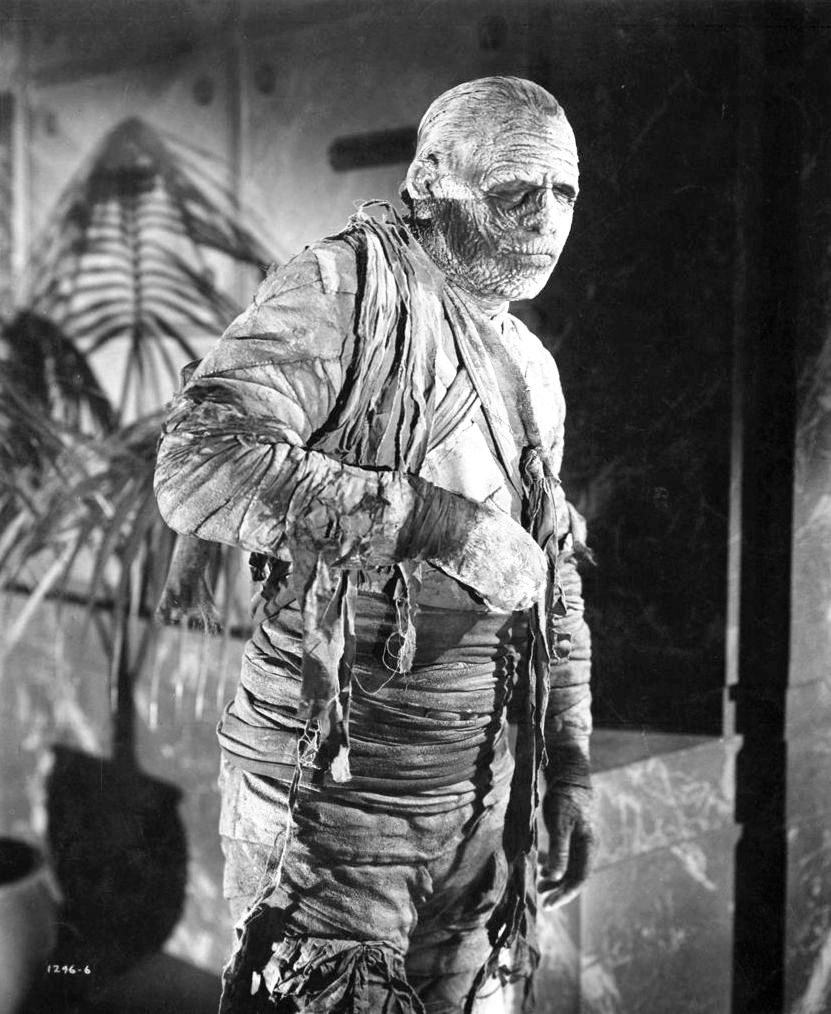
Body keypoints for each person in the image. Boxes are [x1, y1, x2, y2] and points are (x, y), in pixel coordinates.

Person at [154, 75, 595, 1014]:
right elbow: (200, 461)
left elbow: (550, 576)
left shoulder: (530, 366)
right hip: (330, 809)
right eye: (516, 189)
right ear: (430, 179)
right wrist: (440, 525)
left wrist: (569, 766)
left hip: (485, 807)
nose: (548, 217)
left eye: (565, 191)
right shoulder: (342, 291)